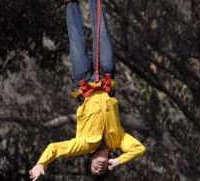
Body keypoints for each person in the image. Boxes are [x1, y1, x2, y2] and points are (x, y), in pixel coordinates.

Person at [29, 0, 145, 180]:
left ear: (90, 161)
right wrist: (120, 160)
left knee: (76, 36)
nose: (99, 167)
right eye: (102, 169)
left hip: (84, 82)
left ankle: (69, 3)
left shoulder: (84, 145)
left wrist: (41, 164)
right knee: (102, 30)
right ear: (108, 164)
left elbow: (55, 148)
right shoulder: (119, 140)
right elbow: (139, 148)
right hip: (106, 77)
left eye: (94, 169)